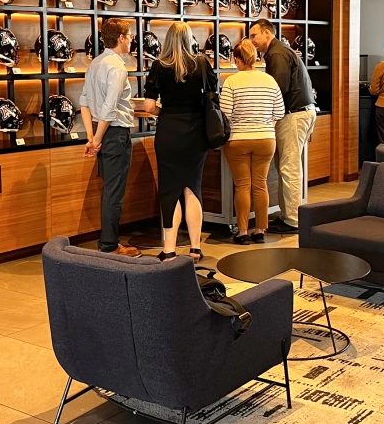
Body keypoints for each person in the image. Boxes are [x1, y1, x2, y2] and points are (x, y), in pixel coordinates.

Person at [142, 21, 216, 260]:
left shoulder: (159, 66)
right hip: (196, 133)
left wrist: (164, 112)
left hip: (169, 132)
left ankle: (169, 249)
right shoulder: (202, 64)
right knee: (193, 187)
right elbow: (213, 97)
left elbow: (149, 106)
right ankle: (195, 248)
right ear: (190, 39)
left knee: (169, 190)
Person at [249, 19, 316, 235]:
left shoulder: (277, 54)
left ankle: (294, 220)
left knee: (289, 168)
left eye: (254, 35)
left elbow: (278, 90)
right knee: (286, 167)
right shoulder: (277, 51)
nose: (252, 41)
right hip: (298, 113)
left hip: (294, 115)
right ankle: (288, 215)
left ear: (267, 33)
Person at [79, 18, 139, 257]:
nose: (131, 40)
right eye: (130, 36)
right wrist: (96, 140)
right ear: (121, 38)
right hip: (114, 134)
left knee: (109, 191)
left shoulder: (95, 63)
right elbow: (109, 108)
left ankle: (108, 242)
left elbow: (85, 102)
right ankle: (110, 246)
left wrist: (91, 136)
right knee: (114, 192)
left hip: (101, 132)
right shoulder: (117, 67)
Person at [220, 39, 285, 245]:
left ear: (238, 59)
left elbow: (225, 113)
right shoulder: (269, 80)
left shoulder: (232, 81)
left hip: (238, 139)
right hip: (265, 138)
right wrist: (265, 124)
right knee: (260, 184)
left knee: (242, 185)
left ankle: (242, 232)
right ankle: (260, 230)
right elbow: (280, 112)